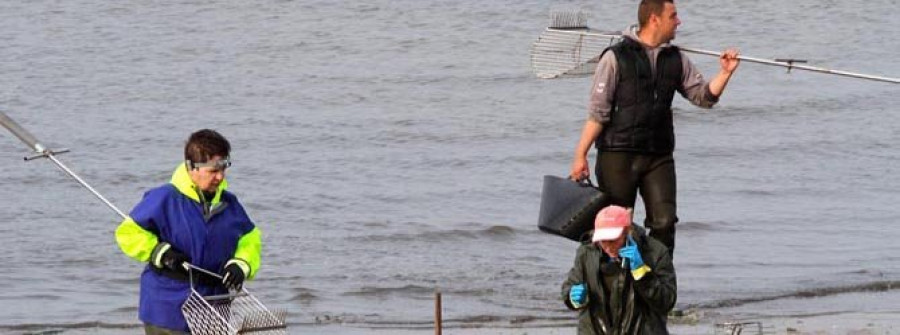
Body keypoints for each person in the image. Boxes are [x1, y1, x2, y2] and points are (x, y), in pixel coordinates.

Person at [569, 0, 740, 256]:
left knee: (665, 223)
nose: (679, 21)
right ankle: (610, 286)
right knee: (615, 228)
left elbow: (703, 97)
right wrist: (580, 155)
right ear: (654, 19)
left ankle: (657, 286)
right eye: (673, 15)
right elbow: (598, 113)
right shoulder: (615, 57)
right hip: (617, 155)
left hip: (658, 156)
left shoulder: (676, 58)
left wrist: (725, 73)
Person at [115, 129, 262, 334]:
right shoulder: (164, 198)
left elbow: (250, 238)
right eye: (213, 170)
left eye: (224, 168)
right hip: (167, 308)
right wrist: (160, 253)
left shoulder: (230, 204)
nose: (220, 177)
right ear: (191, 167)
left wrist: (241, 265)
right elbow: (128, 233)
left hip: (213, 307)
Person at [561, 205, 676, 334]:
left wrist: (642, 273)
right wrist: (573, 298)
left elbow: (666, 302)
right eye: (603, 241)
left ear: (627, 231)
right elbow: (570, 286)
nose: (608, 246)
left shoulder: (655, 252)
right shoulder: (586, 253)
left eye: (613, 240)